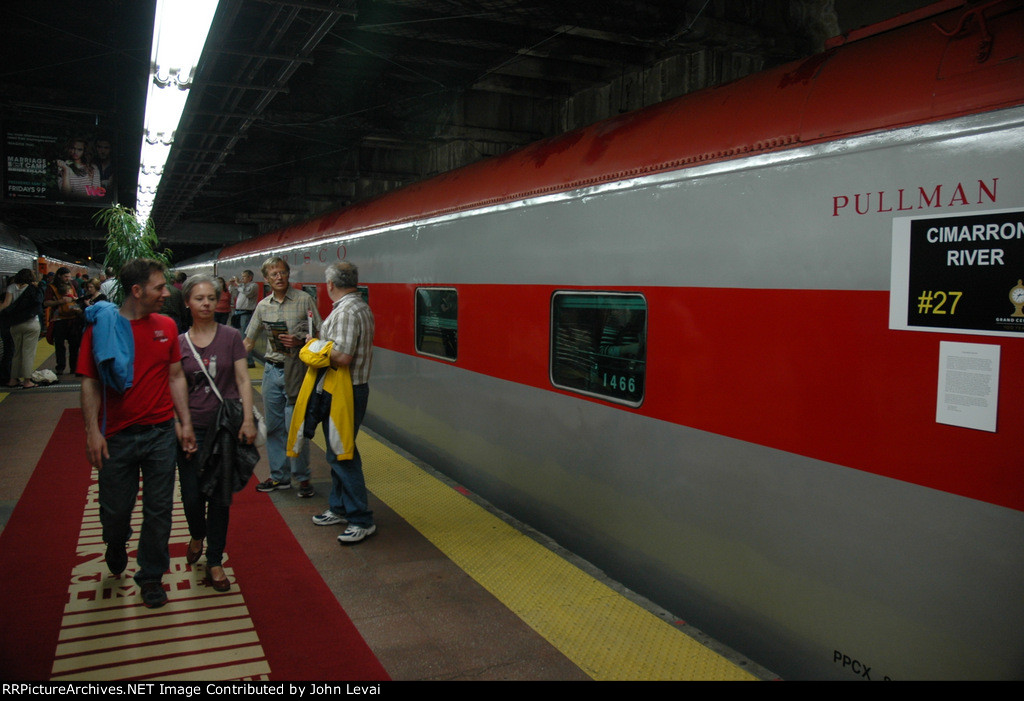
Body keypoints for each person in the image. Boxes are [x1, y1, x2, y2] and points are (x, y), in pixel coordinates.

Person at [78, 258, 197, 609]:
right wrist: (92, 432)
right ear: (136, 290)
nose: (166, 293)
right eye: (159, 287)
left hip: (160, 433)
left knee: (160, 509)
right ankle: (116, 543)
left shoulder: (166, 326)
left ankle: (151, 576)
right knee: (115, 512)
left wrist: (184, 421)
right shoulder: (101, 328)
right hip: (118, 435)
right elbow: (90, 382)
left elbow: (175, 376)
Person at [178, 275, 257, 592]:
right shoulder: (179, 343)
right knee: (191, 496)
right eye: (199, 298)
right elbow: (175, 386)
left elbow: (242, 380)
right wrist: (181, 425)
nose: (206, 303)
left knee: (220, 499)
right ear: (188, 303)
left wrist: (247, 420)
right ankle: (197, 532)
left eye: (211, 297)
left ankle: (214, 560)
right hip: (191, 429)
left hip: (224, 427)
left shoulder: (231, 336)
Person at [310, 262, 376, 544]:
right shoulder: (357, 306)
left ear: (331, 285)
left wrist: (313, 347)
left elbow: (343, 356)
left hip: (344, 391)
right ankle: (339, 508)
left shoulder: (348, 311)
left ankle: (361, 518)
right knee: (337, 450)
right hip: (344, 390)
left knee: (342, 454)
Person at [243, 257, 320, 497]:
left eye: (282, 273)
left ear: (288, 274)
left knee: (294, 426)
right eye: (273, 274)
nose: (279, 277)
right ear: (266, 279)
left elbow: (320, 333)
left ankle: (303, 477)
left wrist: (300, 341)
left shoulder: (304, 300)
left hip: (296, 370)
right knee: (275, 427)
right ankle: (280, 477)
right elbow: (249, 339)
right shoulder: (263, 306)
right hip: (271, 370)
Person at [0, 269, 43, 389]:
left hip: (15, 325)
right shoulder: (32, 289)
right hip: (31, 324)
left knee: (16, 353)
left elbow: (6, 305)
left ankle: (13, 380)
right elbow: (38, 304)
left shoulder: (12, 287)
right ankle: (27, 381)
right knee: (28, 353)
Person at [44, 268, 83, 375]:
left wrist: (77, 305)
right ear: (59, 276)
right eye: (66, 276)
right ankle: (60, 367)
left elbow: (75, 299)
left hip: (72, 318)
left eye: (69, 276)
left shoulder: (71, 285)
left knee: (74, 344)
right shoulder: (51, 287)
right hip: (58, 319)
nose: (68, 279)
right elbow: (46, 303)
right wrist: (60, 301)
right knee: (59, 345)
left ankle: (73, 367)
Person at [230, 270, 257, 367]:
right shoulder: (242, 287)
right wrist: (232, 286)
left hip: (246, 314)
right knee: (238, 336)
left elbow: (247, 293)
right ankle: (242, 359)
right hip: (238, 313)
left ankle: (249, 361)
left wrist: (238, 284)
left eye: (244, 277)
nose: (242, 279)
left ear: (250, 277)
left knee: (245, 337)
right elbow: (233, 294)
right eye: (242, 277)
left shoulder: (253, 286)